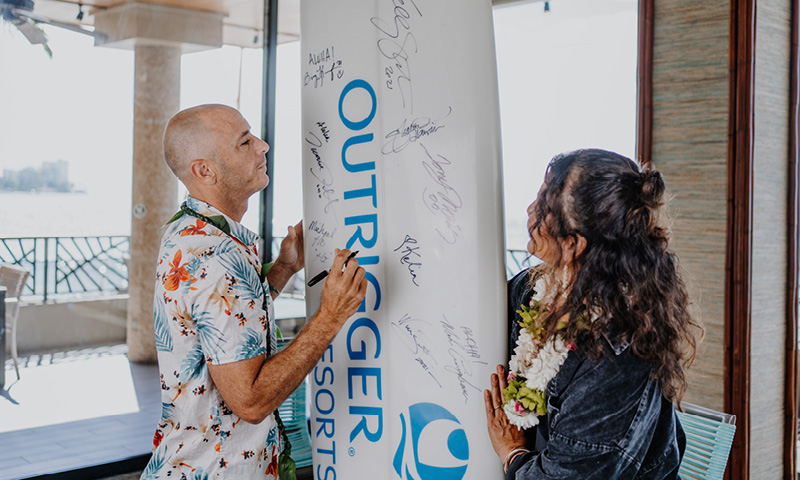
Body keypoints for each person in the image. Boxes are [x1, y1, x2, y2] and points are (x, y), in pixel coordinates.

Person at [141, 104, 367, 479]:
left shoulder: (192, 231)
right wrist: (331, 316)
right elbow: (251, 400)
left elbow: (222, 325)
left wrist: (281, 271)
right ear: (204, 170)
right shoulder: (215, 255)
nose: (263, 146)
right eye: (245, 142)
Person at [484, 149, 702, 479]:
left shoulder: (617, 356)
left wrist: (512, 451)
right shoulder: (535, 288)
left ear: (574, 245)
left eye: (544, 203)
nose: (530, 210)